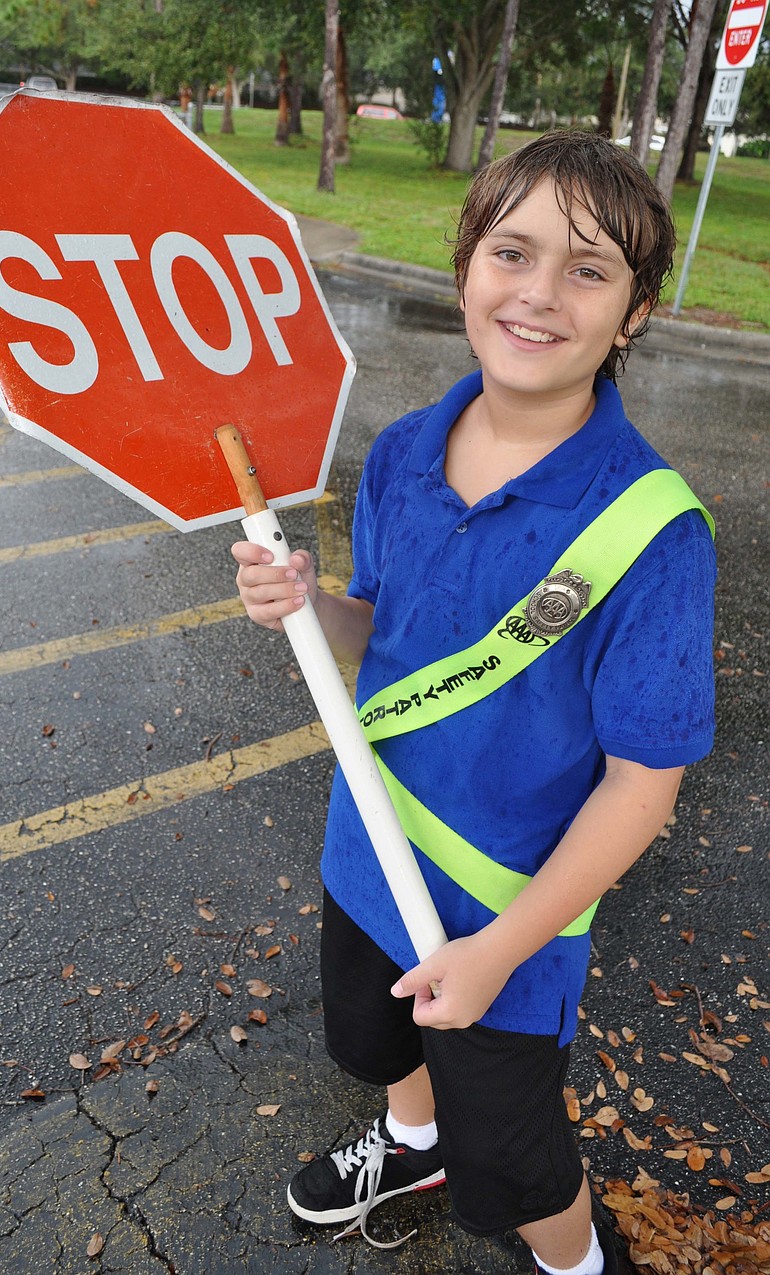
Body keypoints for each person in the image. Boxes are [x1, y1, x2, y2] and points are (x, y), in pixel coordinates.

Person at [231, 130, 715, 1275]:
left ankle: (575, 1263)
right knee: (369, 1034)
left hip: (511, 924)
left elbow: (643, 790)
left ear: (634, 312)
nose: (538, 295)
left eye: (588, 270)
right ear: (465, 267)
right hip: (367, 855)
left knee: (518, 1159)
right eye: (512, 252)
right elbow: (377, 639)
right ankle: (410, 1141)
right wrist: (306, 605)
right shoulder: (403, 450)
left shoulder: (652, 532)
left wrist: (500, 949)